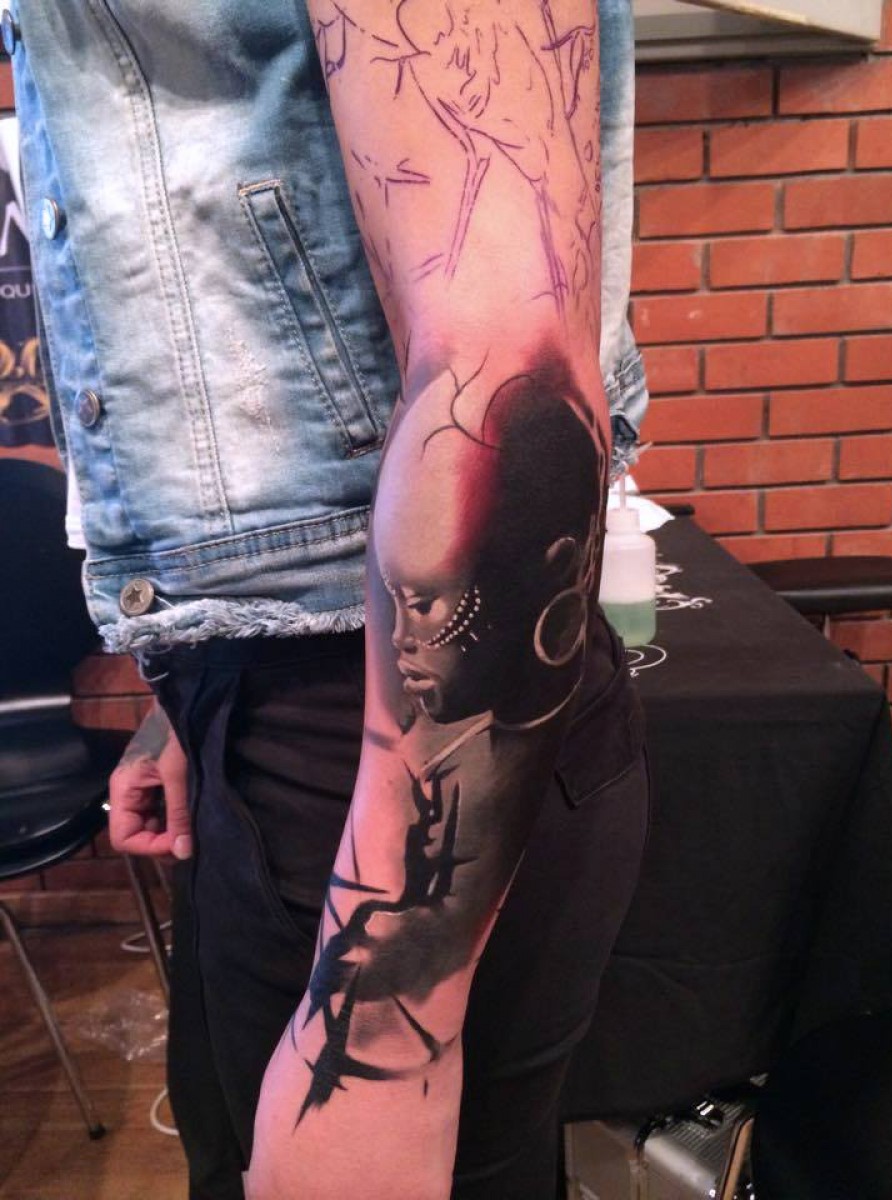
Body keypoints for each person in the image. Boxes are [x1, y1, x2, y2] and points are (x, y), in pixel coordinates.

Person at [10, 1, 650, 1196]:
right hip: (299, 715)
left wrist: (382, 1033)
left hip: (410, 756)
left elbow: (508, 386)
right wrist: (197, 685)